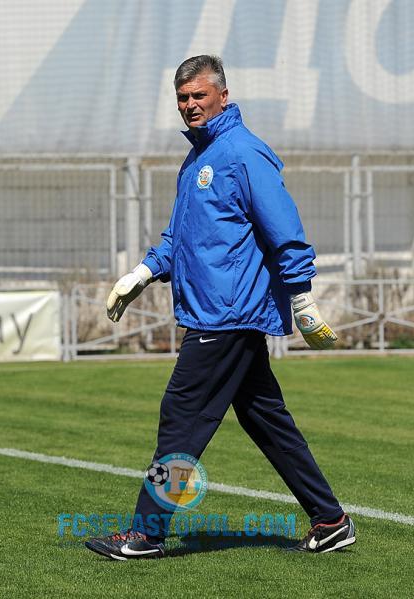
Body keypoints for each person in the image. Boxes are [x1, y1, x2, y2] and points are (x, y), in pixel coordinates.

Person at [84, 55, 354, 560]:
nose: (190, 105)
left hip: (225, 315)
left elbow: (286, 230)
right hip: (218, 313)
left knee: (182, 418)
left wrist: (301, 298)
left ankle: (146, 533)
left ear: (223, 97)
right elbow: (180, 238)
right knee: (266, 420)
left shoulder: (243, 153)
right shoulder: (197, 159)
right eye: (183, 98)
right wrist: (141, 273)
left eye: (199, 95)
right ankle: (331, 520)